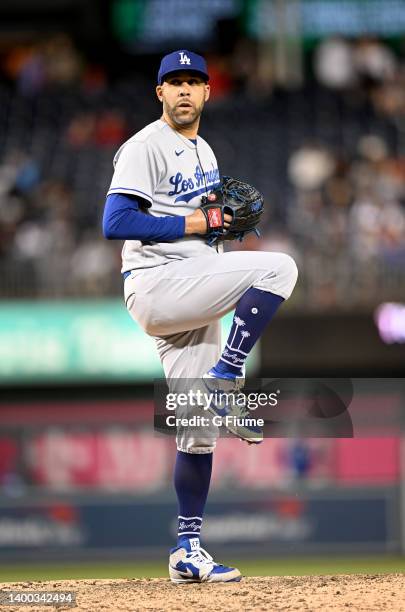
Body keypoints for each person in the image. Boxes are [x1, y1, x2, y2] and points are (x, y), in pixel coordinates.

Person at [102, 50, 298, 584]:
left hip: (194, 290)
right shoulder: (145, 145)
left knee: (197, 431)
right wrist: (196, 221)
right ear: (159, 92)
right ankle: (228, 374)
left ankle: (187, 550)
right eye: (175, 82)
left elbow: (200, 224)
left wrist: (217, 226)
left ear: (209, 92)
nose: (185, 90)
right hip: (159, 285)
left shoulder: (204, 149)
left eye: (194, 81)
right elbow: (116, 221)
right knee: (279, 268)